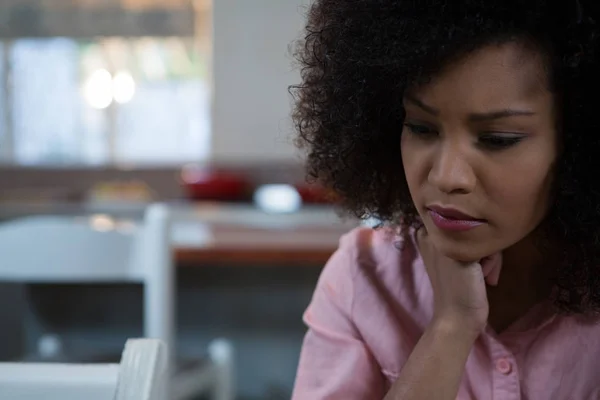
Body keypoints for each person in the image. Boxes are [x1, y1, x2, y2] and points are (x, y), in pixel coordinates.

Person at [289, 0, 600, 399]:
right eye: (421, 128)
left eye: (496, 140)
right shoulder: (363, 277)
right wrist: (451, 328)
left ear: (578, 143)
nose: (446, 177)